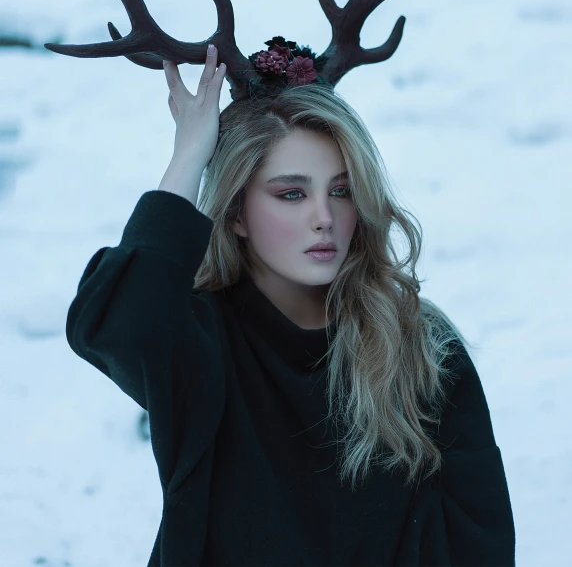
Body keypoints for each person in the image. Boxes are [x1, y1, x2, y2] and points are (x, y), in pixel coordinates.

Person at [66, 45, 516, 566]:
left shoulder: (420, 344)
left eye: (342, 191)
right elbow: (119, 323)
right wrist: (190, 154)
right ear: (235, 212)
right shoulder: (201, 337)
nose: (324, 217)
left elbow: (477, 540)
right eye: (291, 194)